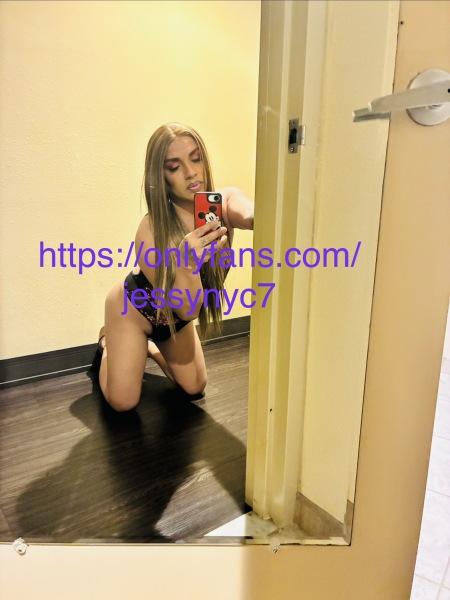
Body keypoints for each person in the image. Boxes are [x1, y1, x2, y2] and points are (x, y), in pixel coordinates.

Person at [90, 122, 254, 412]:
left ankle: (149, 348)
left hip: (172, 321)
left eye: (196, 158)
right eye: (174, 167)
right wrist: (187, 264)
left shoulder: (224, 203)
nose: (190, 172)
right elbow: (188, 310)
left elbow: (251, 214)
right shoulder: (151, 229)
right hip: (133, 310)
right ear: (161, 177)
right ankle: (108, 345)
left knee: (195, 387)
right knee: (123, 403)